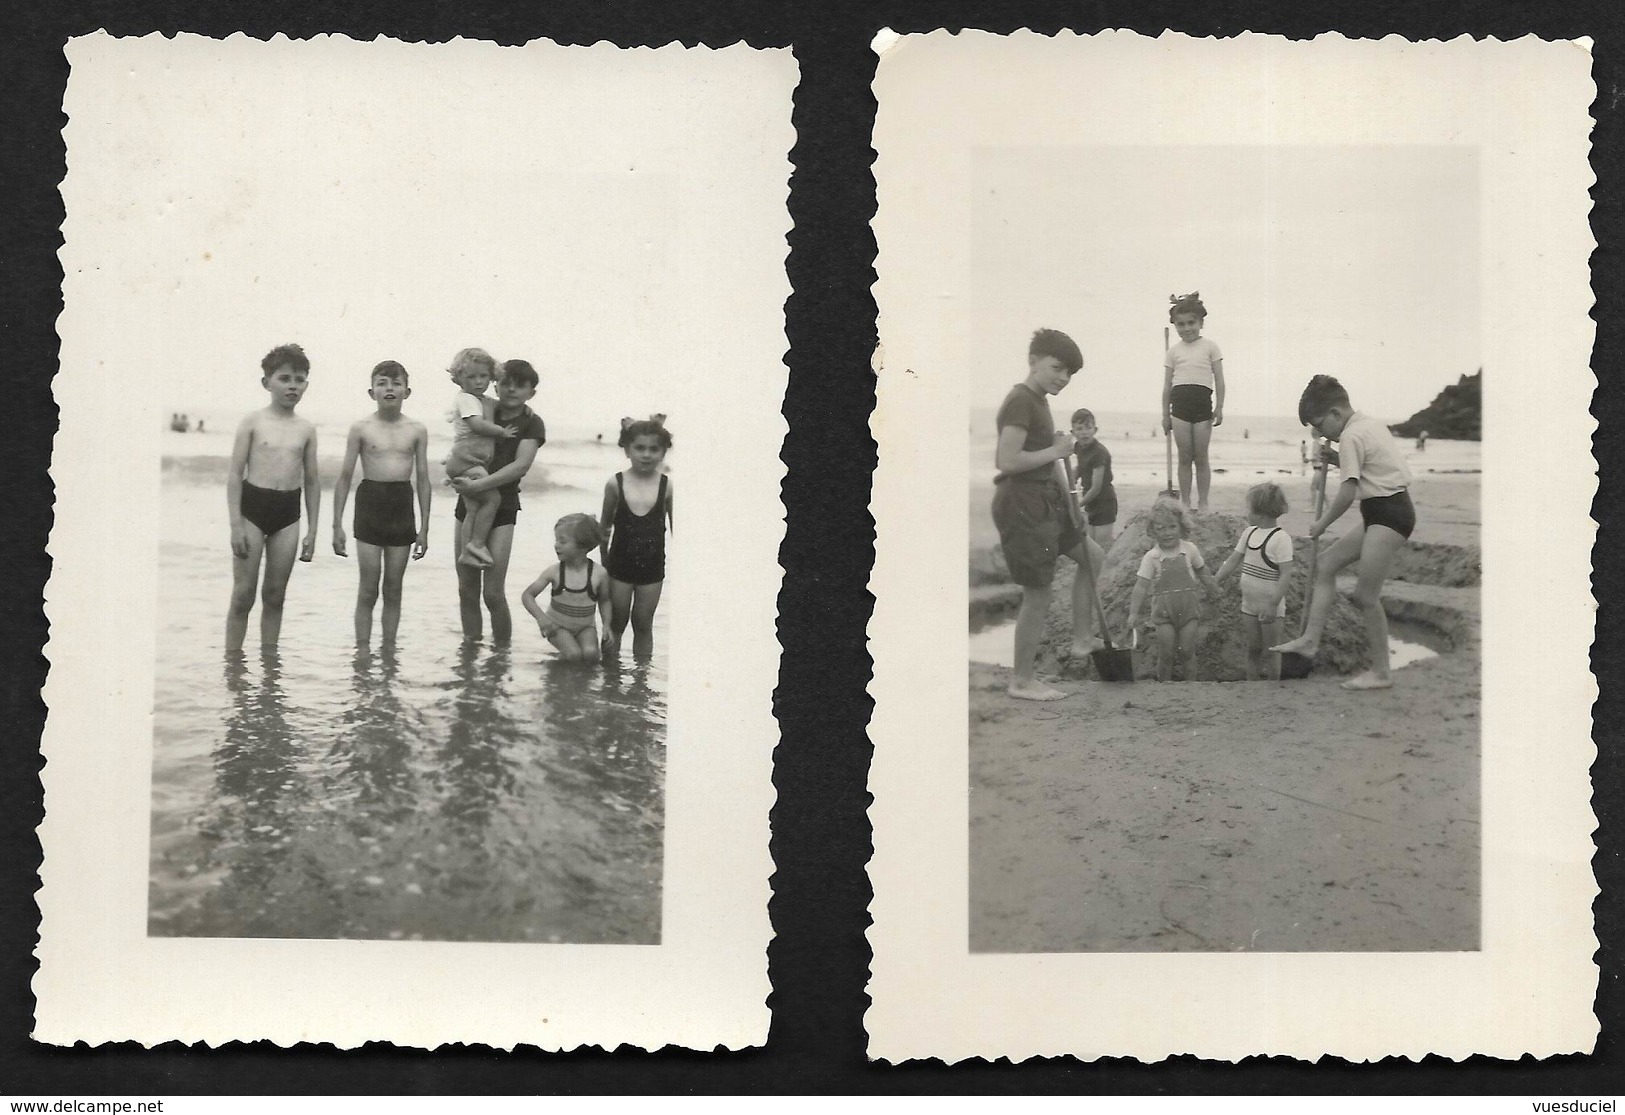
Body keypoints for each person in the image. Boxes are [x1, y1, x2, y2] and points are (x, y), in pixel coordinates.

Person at [1272, 375, 1415, 690]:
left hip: (1389, 516)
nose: (1320, 433)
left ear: (1336, 414)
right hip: (1383, 511)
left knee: (1365, 596)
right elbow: (1374, 464)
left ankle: (1381, 673)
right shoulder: (1368, 425)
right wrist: (1338, 459)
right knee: (1326, 564)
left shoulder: (1350, 436)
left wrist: (1322, 524)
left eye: (1320, 426)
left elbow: (1348, 492)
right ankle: (1309, 640)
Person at [990, 328, 1103, 701]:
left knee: (1095, 557)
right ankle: (1022, 680)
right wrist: (1056, 452)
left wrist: (1074, 508)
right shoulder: (1021, 400)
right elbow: (1007, 460)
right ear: (1033, 361)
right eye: (1057, 368)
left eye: (1069, 373)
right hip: (1022, 503)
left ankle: (1083, 639)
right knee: (1038, 592)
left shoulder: (1039, 400)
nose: (1063, 378)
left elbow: (1052, 456)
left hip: (1048, 501)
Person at [225, 343, 319, 653]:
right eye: (285, 378)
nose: (293, 385)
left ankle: (269, 666)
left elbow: (313, 481)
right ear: (267, 383)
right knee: (243, 595)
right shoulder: (253, 422)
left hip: (288, 514)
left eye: (299, 379)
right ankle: (233, 662)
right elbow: (234, 474)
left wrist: (313, 531)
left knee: (276, 595)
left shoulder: (306, 429)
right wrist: (236, 526)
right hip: (252, 510)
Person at [331, 360, 431, 649]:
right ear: (371, 391)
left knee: (394, 588)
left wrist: (424, 528)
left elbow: (423, 479)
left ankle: (388, 650)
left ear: (407, 391)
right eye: (383, 383)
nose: (390, 389)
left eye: (396, 383)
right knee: (368, 588)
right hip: (370, 504)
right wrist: (336, 524)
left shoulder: (417, 430)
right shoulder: (361, 428)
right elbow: (345, 476)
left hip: (401, 505)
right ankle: (362, 650)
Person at [447, 359, 548, 644]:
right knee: (466, 589)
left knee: (492, 593)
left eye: (520, 385)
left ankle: (500, 657)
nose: (511, 389)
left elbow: (520, 467)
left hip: (502, 506)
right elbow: (461, 430)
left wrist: (480, 484)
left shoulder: (532, 422)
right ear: (496, 383)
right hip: (468, 499)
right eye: (505, 382)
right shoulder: (481, 407)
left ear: (532, 392)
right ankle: (470, 650)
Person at [600, 415, 673, 658]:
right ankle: (610, 677)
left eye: (654, 449)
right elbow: (604, 528)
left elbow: (678, 531)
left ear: (663, 452)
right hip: (618, 567)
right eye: (639, 448)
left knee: (643, 624)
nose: (646, 454)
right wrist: (604, 565)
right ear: (627, 450)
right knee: (616, 624)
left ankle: (641, 680)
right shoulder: (615, 483)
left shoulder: (667, 486)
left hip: (652, 569)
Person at [1127, 499, 1221, 682]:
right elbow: (1141, 586)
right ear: (1152, 531)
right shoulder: (1152, 557)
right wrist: (1133, 613)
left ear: (1181, 527)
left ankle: (1190, 686)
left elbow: (1202, 570)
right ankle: (1164, 686)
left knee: (1187, 651)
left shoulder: (1190, 549)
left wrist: (1213, 588)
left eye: (1172, 527)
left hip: (1188, 611)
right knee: (1166, 653)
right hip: (1164, 614)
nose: (1167, 533)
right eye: (1160, 528)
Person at [441, 347, 517, 568]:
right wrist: (501, 432)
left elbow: (499, 405)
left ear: (491, 376)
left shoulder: (481, 399)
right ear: (459, 379)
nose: (478, 382)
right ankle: (477, 543)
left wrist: (524, 409)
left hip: (469, 460)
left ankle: (468, 552)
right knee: (493, 499)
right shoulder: (466, 399)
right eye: (471, 377)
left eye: (483, 376)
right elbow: (477, 424)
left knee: (473, 509)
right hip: (467, 459)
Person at [1214, 481, 1293, 680]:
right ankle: (1252, 686)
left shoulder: (1281, 539)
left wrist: (1273, 604)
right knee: (1254, 647)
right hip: (1248, 604)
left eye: (1248, 509)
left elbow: (1285, 575)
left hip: (1270, 605)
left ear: (1260, 513)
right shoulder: (1249, 533)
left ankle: (1273, 687)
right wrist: (1215, 581)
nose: (1246, 513)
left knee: (1271, 650)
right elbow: (1233, 560)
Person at [1161, 291, 1226, 512]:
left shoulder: (1210, 347)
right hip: (1179, 407)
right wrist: (1164, 415)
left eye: (1191, 323)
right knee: (1184, 456)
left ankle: (1204, 502)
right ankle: (1185, 501)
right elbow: (1167, 386)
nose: (1186, 328)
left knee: (1201, 456)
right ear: (1175, 325)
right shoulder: (1173, 352)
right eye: (1181, 324)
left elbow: (1219, 379)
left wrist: (1219, 406)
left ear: (1201, 322)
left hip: (1202, 406)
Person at [521, 513, 613, 663]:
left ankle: (580, 684)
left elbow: (605, 600)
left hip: (585, 627)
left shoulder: (599, 573)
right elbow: (527, 595)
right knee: (573, 655)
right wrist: (542, 619)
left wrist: (606, 625)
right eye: (557, 540)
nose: (556, 545)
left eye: (562, 541)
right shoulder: (555, 572)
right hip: (556, 626)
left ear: (583, 546)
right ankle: (560, 680)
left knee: (591, 655)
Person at [1069, 408, 1117, 550]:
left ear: (1095, 430)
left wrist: (1078, 505)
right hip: (1090, 501)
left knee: (1102, 546)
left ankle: (1105, 570)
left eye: (1088, 428)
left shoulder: (1099, 453)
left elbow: (1096, 488)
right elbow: (1082, 466)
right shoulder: (1079, 446)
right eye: (1079, 428)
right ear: (1073, 433)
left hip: (1104, 501)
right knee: (1091, 543)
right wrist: (1073, 477)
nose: (1084, 432)